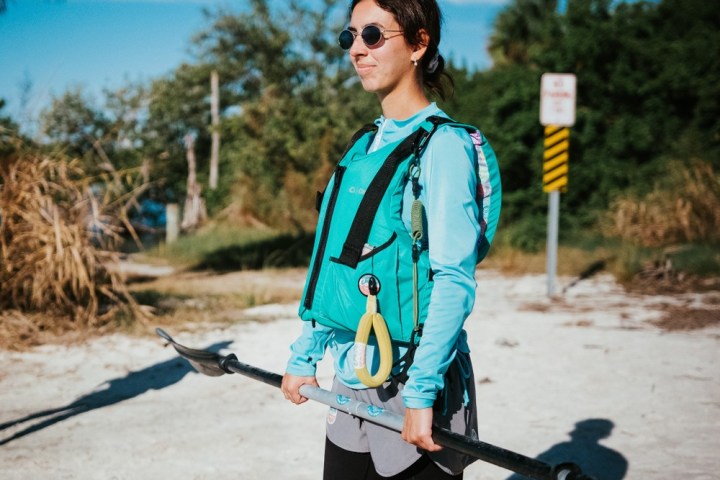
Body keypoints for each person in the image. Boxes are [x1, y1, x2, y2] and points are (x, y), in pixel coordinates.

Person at [281, 0, 501, 478]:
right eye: (350, 37)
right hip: (350, 375)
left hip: (413, 382)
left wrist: (422, 393)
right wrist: (305, 354)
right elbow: (338, 265)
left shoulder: (443, 147)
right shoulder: (364, 146)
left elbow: (453, 280)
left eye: (374, 36)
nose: (357, 50)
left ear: (420, 43)